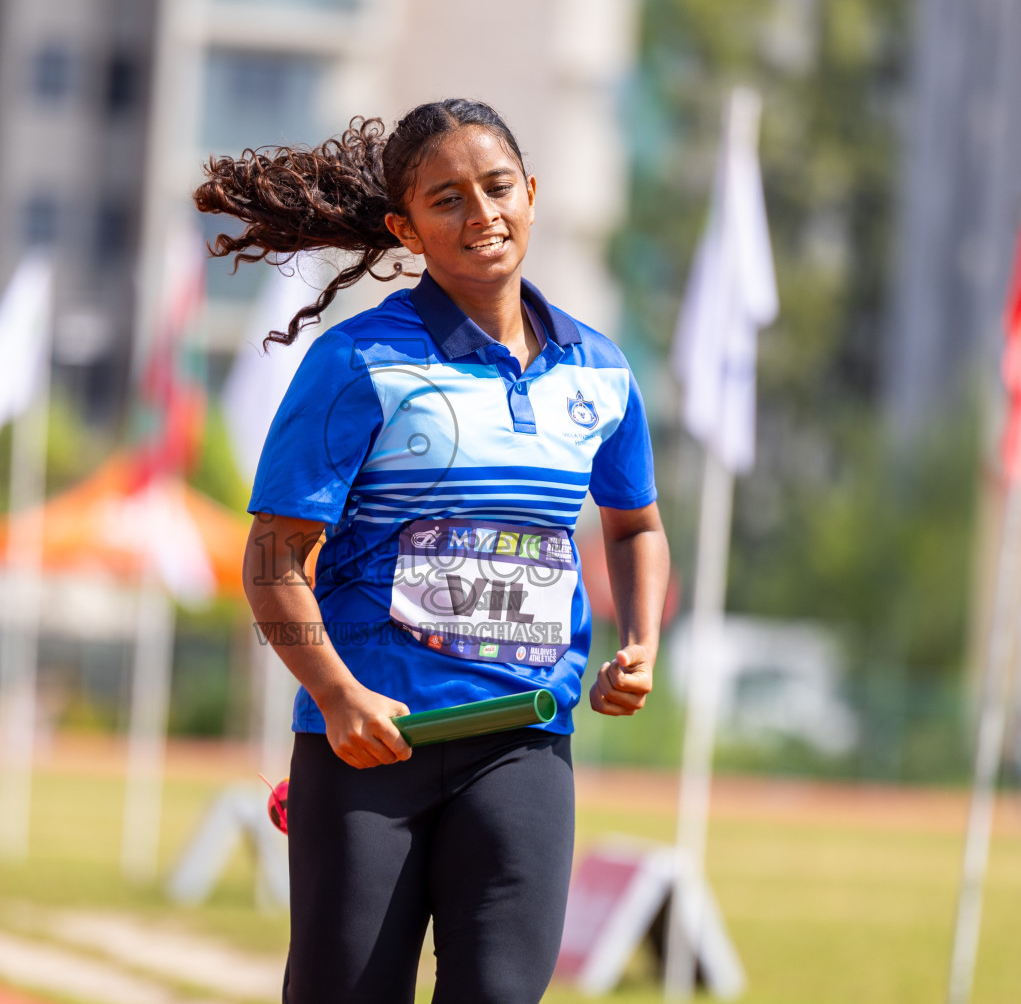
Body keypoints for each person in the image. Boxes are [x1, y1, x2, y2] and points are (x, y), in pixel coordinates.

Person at [196, 99, 669, 1004]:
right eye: (446, 199)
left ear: (531, 194)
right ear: (403, 227)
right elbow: (273, 556)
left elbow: (635, 526)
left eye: (497, 188)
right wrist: (335, 695)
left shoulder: (600, 369)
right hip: (371, 750)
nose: (481, 213)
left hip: (524, 745)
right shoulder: (356, 360)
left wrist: (641, 641)